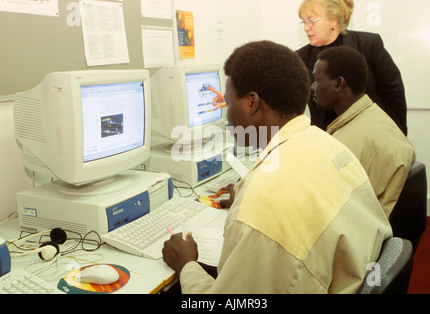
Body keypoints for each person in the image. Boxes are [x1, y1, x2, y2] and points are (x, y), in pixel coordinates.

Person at [161, 40, 392, 294]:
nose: (227, 115)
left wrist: (187, 265)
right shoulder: (328, 144)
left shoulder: (261, 206)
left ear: (252, 103)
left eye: (228, 101)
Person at [312, 46, 416, 218]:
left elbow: (326, 209)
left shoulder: (347, 144)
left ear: (338, 83)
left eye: (317, 80)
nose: (312, 87)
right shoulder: (375, 117)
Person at [296, 0, 408, 136]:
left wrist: (399, 132)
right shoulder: (300, 57)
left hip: (374, 135)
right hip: (328, 140)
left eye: (311, 21)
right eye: (304, 22)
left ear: (334, 20)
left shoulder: (368, 44)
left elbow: (394, 91)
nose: (306, 28)